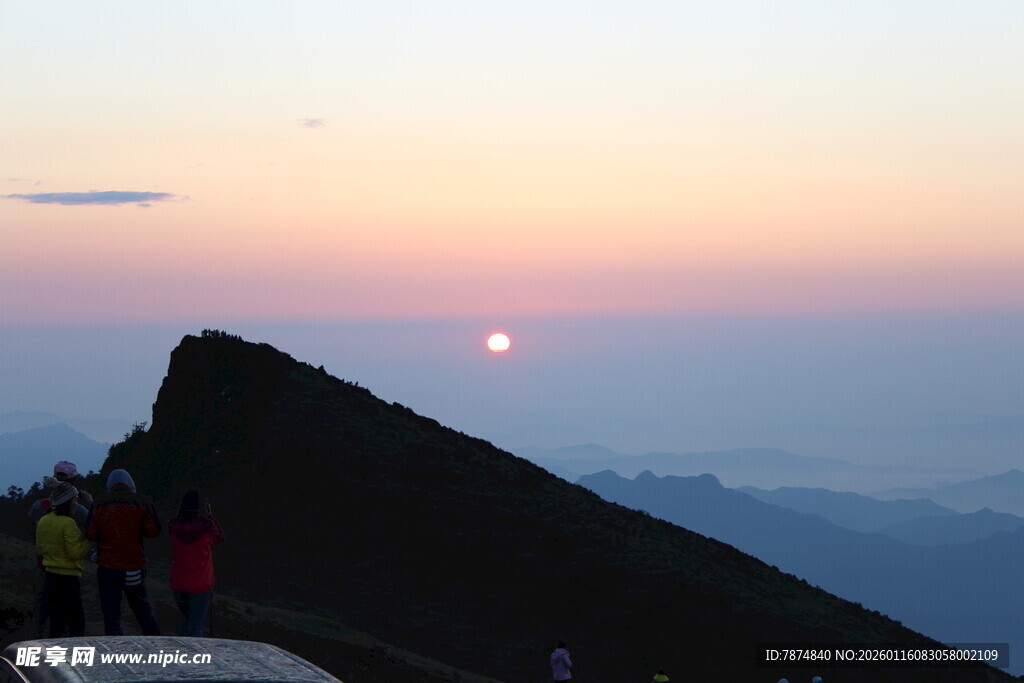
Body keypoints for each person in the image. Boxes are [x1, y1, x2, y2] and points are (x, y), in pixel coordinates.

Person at [86, 469, 162, 635]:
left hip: (107, 567)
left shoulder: (98, 504)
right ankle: (158, 646)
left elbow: (90, 534)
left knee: (111, 613)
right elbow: (153, 531)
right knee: (142, 609)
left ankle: (114, 651)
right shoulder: (142, 502)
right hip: (132, 566)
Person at [27, 472, 91, 637]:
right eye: (75, 501)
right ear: (67, 501)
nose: (76, 504)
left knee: (56, 620)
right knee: (76, 622)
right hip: (68, 578)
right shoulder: (68, 523)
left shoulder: (44, 520)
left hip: (49, 575)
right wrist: (88, 541)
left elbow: (40, 549)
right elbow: (75, 552)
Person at [168, 490, 225, 636]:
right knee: (196, 624)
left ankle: (181, 654)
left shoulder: (174, 526)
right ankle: (194, 657)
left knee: (186, 620)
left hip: (179, 582)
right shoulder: (205, 528)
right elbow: (219, 538)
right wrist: (210, 516)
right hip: (200, 583)